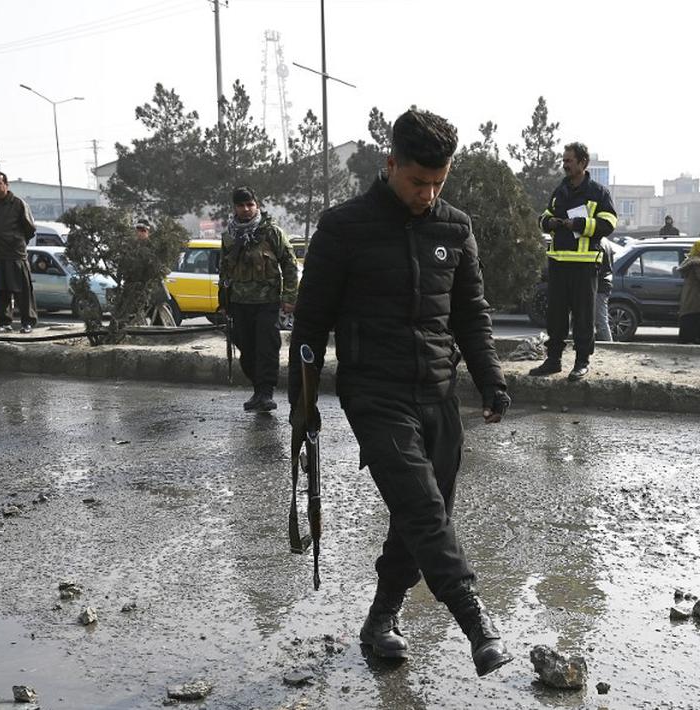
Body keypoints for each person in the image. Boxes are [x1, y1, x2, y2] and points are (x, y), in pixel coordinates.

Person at [288, 109, 514, 677]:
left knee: (420, 515)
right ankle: (475, 621)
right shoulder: (342, 228)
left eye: (439, 183)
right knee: (422, 507)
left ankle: (381, 617)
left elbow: (471, 315)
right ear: (390, 164)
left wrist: (491, 380)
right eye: (418, 182)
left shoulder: (454, 227)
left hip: (438, 392)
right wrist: (302, 405)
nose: (428, 193)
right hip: (374, 392)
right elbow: (310, 327)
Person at [529, 142, 618, 380]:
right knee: (555, 316)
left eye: (569, 160)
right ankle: (553, 360)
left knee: (583, 317)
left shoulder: (598, 192)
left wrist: (578, 224)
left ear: (582, 163)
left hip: (584, 266)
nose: (565, 164)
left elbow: (609, 224)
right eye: (564, 160)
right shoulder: (560, 190)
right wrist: (549, 223)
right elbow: (545, 216)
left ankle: (581, 362)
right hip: (558, 264)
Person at [220, 186, 298, 412]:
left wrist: (289, 297)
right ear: (234, 207)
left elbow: (290, 264)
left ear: (257, 205)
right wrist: (224, 302)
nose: (246, 209)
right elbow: (224, 271)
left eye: (250, 205)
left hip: (267, 302)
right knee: (246, 349)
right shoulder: (229, 236)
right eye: (241, 205)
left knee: (266, 348)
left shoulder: (272, 232)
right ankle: (257, 390)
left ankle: (266, 393)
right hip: (239, 303)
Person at [0, 171, 37, 333]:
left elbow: (30, 229)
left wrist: (16, 241)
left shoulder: (18, 204)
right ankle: (3, 322)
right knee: (0, 291)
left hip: (15, 255)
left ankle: (28, 322)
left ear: (6, 184)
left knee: (22, 291)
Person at [595, 239, 615, 342]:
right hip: (605, 283)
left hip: (600, 284)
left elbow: (598, 267)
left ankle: (609, 344)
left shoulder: (599, 243)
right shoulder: (606, 242)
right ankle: (606, 342)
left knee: (601, 319)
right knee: (601, 319)